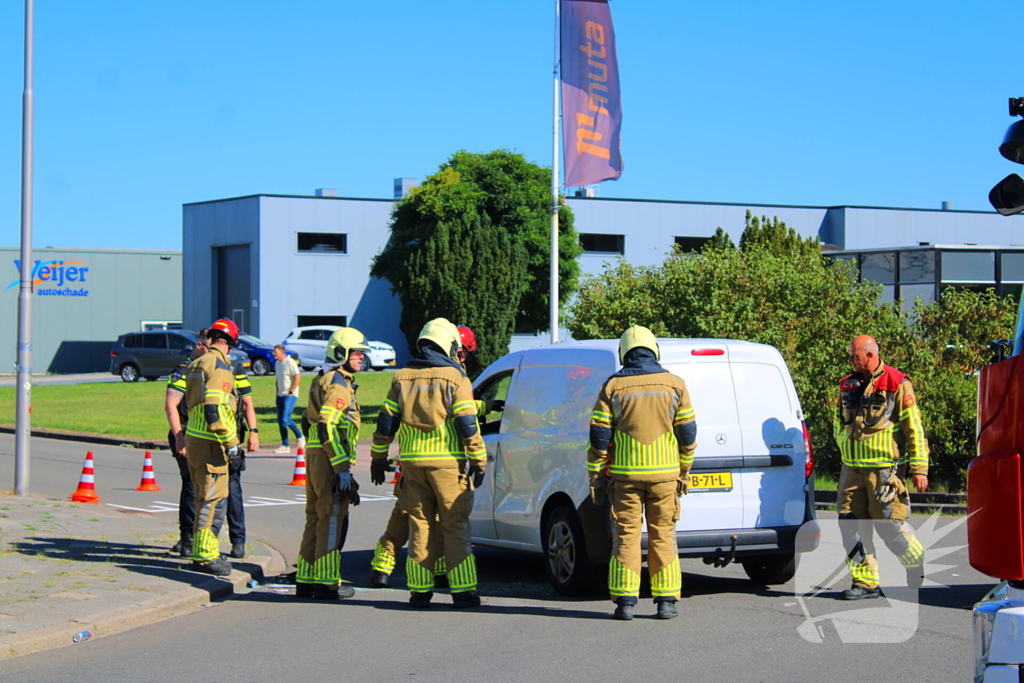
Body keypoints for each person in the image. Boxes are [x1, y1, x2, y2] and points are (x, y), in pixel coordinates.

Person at [370, 318, 486, 609]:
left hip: (411, 465)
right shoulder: (455, 377)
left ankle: (420, 593)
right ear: (448, 344)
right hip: (447, 464)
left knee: (419, 526)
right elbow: (467, 423)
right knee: (454, 526)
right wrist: (478, 459)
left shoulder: (402, 377)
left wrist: (378, 457)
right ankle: (463, 592)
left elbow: (386, 422)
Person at [588, 325, 697, 621]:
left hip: (625, 478)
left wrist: (596, 475)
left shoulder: (612, 386)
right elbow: (687, 433)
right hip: (665, 477)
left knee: (626, 536)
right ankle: (666, 602)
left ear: (624, 352)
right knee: (663, 535)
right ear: (654, 351)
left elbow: (599, 437)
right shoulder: (675, 384)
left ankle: (625, 603)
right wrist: (684, 470)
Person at [836, 335, 928, 600]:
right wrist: (843, 443)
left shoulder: (898, 383)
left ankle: (914, 561)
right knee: (849, 525)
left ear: (871, 355)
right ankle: (865, 583)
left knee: (890, 526)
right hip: (851, 469)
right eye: (850, 355)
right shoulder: (846, 384)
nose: (851, 360)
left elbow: (914, 428)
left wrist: (919, 468)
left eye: (855, 356)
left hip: (884, 471)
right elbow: (838, 422)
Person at [295, 327, 369, 600]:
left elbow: (307, 420)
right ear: (342, 353)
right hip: (329, 460)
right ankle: (327, 584)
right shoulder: (339, 383)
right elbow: (327, 425)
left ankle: (305, 580)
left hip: (316, 457)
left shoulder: (322, 378)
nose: (363, 357)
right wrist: (342, 470)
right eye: (358, 352)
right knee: (331, 520)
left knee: (315, 518)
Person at [183, 319, 244, 576]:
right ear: (229, 343)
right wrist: (232, 445)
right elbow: (215, 407)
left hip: (194, 439)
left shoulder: (197, 363)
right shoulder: (220, 366)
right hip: (212, 442)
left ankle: (202, 550)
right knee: (213, 500)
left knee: (201, 497)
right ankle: (207, 556)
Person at [273, 345, 304, 454]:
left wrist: (291, 391)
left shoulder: (290, 362)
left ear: (282, 352)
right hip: (280, 394)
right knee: (281, 420)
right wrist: (277, 392)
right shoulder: (277, 364)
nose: (274, 354)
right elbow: (278, 379)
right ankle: (285, 444)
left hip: (290, 395)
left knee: (285, 418)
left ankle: (300, 437)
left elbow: (297, 377)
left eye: (276, 352)